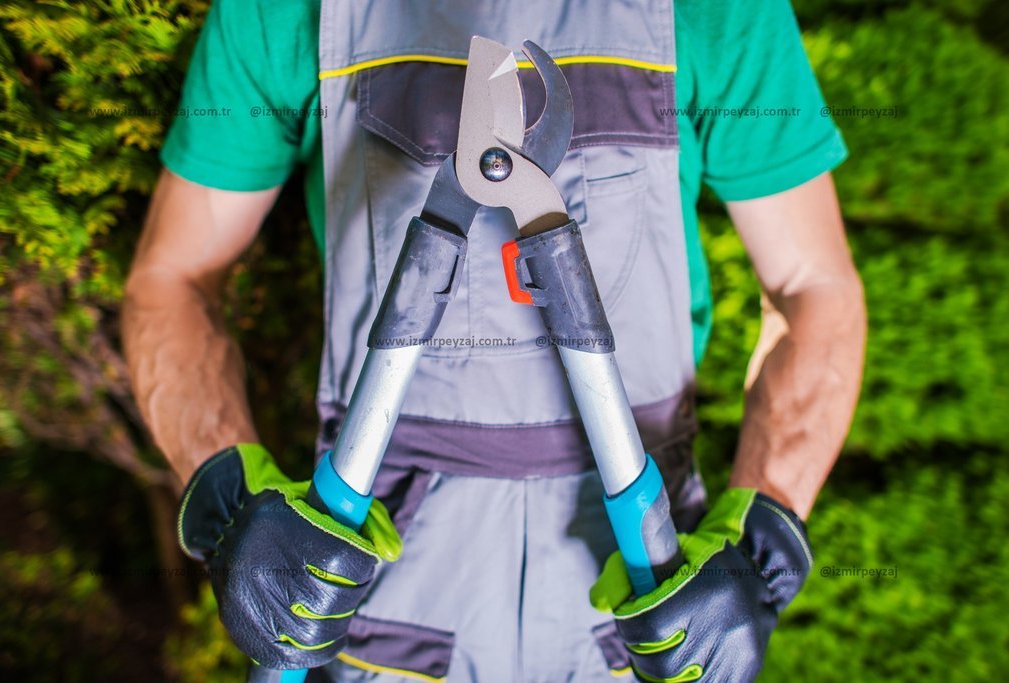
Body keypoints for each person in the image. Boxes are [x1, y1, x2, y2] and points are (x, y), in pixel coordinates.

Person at [122, 0, 866, 680]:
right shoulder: (281, 11)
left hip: (649, 606)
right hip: (366, 609)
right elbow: (173, 278)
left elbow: (814, 289)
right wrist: (227, 497)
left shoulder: (721, 12)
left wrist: (762, 536)